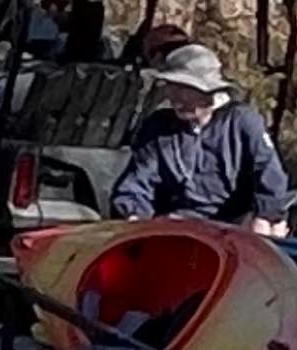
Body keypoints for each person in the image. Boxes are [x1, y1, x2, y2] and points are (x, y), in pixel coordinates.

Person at [111, 43, 288, 234]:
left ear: (208, 92)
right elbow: (137, 182)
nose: (173, 96)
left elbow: (269, 175)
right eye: (170, 87)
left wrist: (264, 217)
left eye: (184, 89)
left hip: (233, 229)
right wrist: (134, 217)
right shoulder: (159, 127)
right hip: (175, 227)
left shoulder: (242, 122)